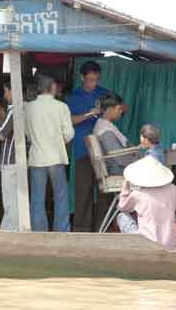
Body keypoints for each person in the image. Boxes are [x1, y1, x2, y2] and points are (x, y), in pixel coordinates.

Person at [26, 75, 75, 232]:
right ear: (53, 87)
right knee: (60, 195)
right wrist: (59, 141)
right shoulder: (61, 107)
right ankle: (61, 230)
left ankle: (39, 231)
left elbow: (26, 133)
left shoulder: (27, 107)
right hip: (55, 157)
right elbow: (69, 134)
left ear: (38, 89)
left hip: (37, 158)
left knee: (37, 198)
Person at [66, 61, 108, 232]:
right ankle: (81, 230)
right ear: (82, 77)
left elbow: (121, 108)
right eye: (90, 80)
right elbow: (70, 120)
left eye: (96, 80)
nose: (93, 83)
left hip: (104, 150)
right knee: (83, 192)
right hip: (83, 150)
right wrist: (89, 114)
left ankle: (102, 228)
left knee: (105, 191)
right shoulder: (73, 97)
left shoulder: (104, 93)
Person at [0, 82, 19, 230]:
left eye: (6, 92)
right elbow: (7, 125)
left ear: (12, 91)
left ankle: (10, 229)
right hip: (16, 159)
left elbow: (2, 135)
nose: (5, 95)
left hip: (10, 160)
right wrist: (0, 110)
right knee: (13, 198)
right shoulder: (19, 109)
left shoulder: (15, 110)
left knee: (10, 199)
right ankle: (10, 227)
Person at [94, 92, 138, 175]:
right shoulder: (105, 131)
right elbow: (120, 159)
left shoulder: (105, 125)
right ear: (110, 109)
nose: (121, 112)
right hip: (118, 170)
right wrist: (140, 160)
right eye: (119, 109)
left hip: (120, 167)